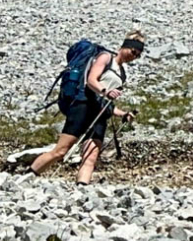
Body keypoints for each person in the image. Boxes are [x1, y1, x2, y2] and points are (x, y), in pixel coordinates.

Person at [31, 31, 145, 185]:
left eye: (137, 55)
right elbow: (91, 80)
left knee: (91, 156)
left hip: (100, 113)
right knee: (61, 151)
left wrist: (123, 114)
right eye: (133, 52)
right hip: (83, 106)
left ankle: (82, 189)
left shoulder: (122, 74)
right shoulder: (105, 58)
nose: (134, 57)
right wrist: (105, 91)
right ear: (125, 47)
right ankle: (28, 176)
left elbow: (108, 104)